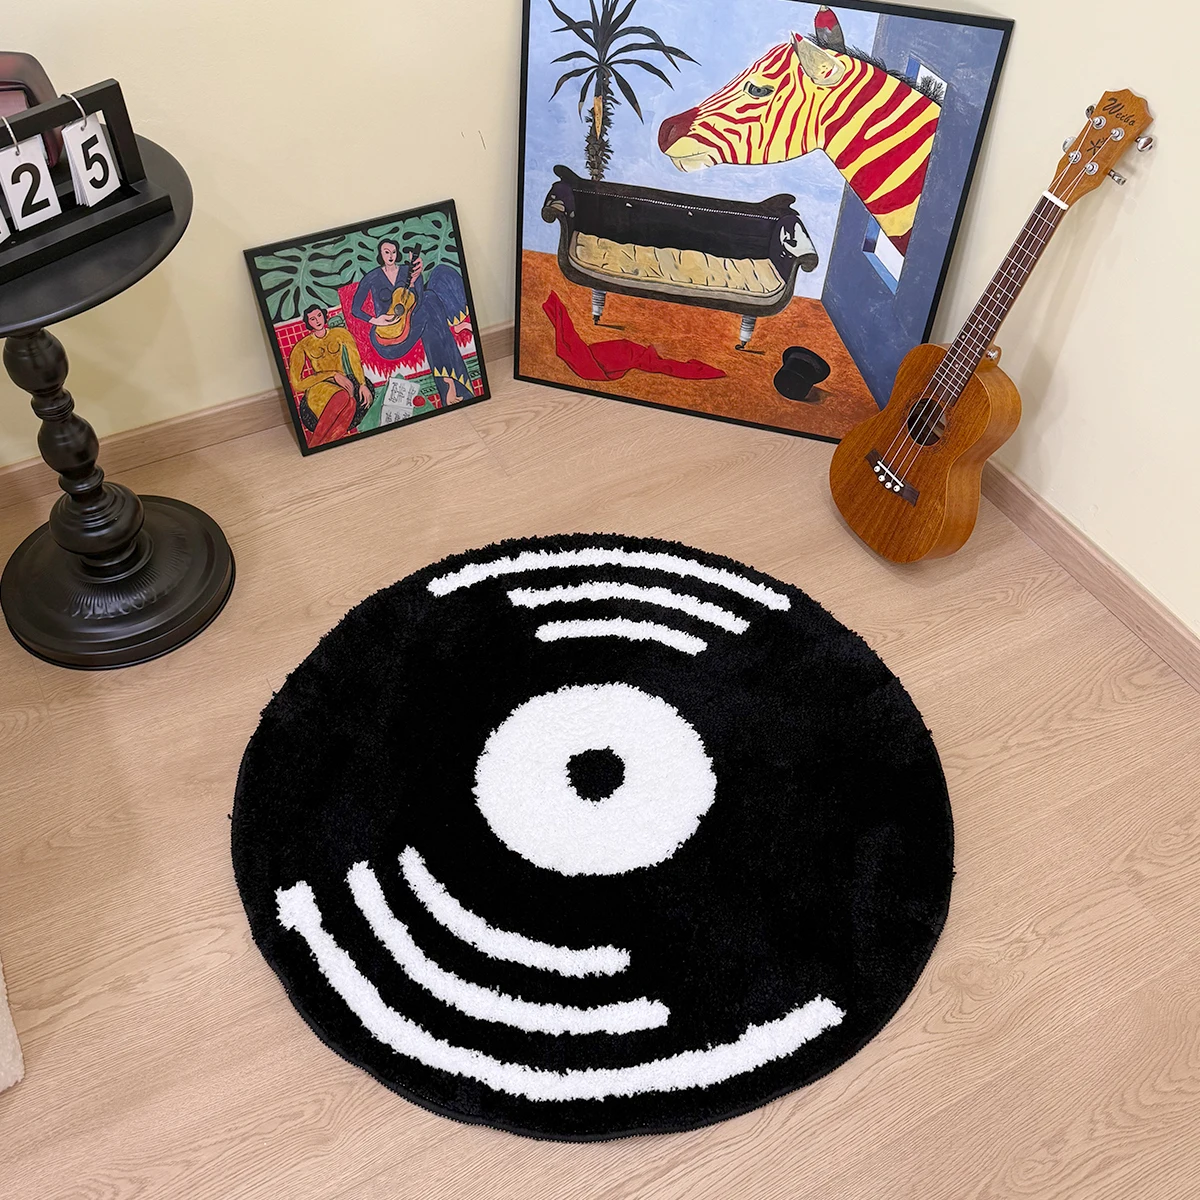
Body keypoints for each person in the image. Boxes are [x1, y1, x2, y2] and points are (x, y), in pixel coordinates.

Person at [351, 239, 472, 407]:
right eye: (387, 252)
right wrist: (375, 320)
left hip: (411, 323)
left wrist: (415, 281)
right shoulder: (372, 277)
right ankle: (451, 382)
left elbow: (419, 300)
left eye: (393, 252)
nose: (391, 255)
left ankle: (448, 383)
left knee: (430, 297)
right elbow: (355, 309)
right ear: (380, 254)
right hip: (387, 337)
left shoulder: (407, 271)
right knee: (431, 306)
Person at [287, 306, 374, 447]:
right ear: (308, 323)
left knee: (351, 403)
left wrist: (362, 384)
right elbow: (297, 385)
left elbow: (355, 360)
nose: (317, 321)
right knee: (344, 397)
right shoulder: (302, 345)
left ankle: (316, 445)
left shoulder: (340, 333)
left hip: (343, 384)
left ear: (324, 315)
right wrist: (332, 374)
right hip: (319, 389)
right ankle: (315, 444)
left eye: (319, 315)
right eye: (312, 319)